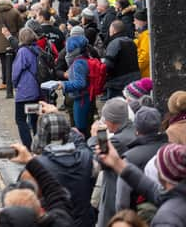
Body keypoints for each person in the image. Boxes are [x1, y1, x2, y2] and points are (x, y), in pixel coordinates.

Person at [31, 107, 97, 227]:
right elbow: (81, 142)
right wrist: (60, 120)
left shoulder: (37, 166)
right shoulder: (86, 158)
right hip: (84, 222)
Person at [97, 142, 186, 227]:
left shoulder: (168, 219)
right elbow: (150, 188)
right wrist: (117, 163)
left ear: (164, 174)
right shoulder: (178, 195)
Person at [0, 143, 74, 227]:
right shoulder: (60, 223)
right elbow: (56, 193)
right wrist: (29, 160)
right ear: (41, 211)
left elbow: (56, 193)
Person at [88, 97, 137, 227]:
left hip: (114, 190)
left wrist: (94, 137)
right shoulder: (132, 130)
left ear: (112, 121)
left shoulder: (119, 140)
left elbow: (98, 158)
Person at [11, 28, 40, 149]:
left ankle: (28, 146)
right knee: (34, 119)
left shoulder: (22, 51)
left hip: (24, 91)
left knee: (21, 119)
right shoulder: (38, 49)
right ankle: (38, 145)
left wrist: (14, 84)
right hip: (36, 91)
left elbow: (16, 72)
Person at [104, 20, 141, 100]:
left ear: (113, 30)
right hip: (134, 79)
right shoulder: (131, 41)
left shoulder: (114, 43)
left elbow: (108, 64)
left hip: (118, 82)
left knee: (116, 108)